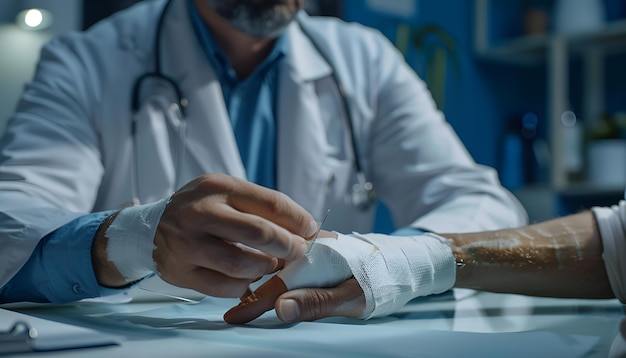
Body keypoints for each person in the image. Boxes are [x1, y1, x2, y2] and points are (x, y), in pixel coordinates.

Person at [0, 0, 526, 305]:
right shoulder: (86, 61)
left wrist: (377, 263)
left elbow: (481, 204)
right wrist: (137, 240)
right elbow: (13, 225)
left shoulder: (363, 59)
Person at [224, 200, 624, 324]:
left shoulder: (360, 55)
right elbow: (617, 241)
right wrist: (156, 227)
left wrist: (385, 259)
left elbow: (483, 196)